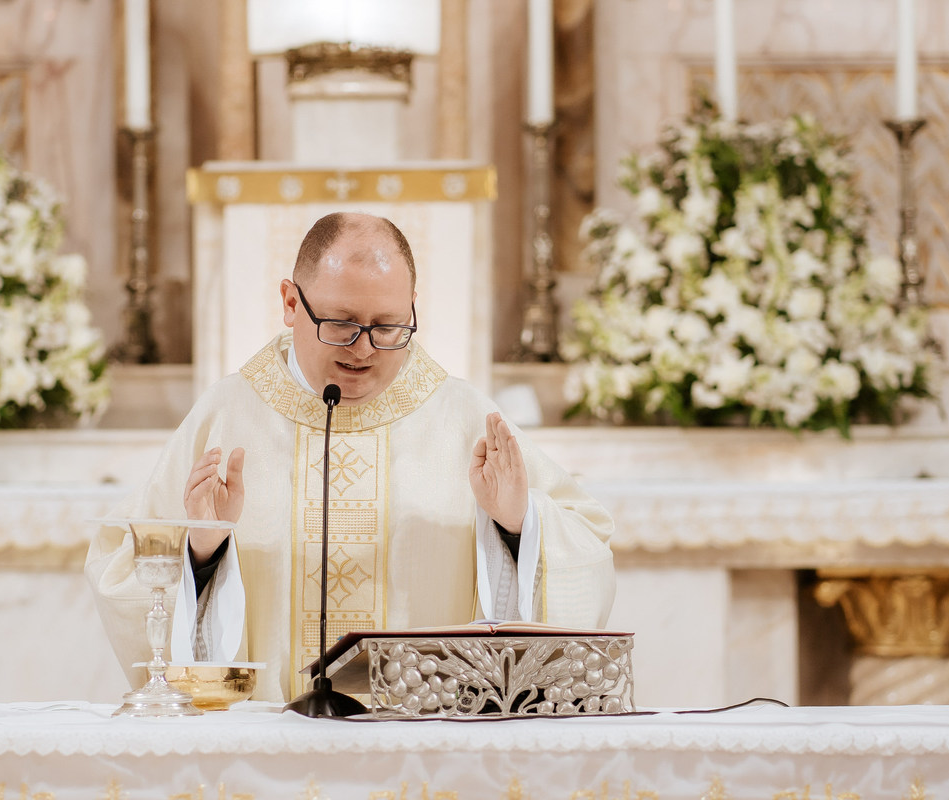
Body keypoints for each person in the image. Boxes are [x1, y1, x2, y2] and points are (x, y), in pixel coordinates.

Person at [87, 212, 615, 702]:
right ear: (291, 303)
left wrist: (518, 525)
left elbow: (586, 545)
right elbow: (122, 564)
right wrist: (199, 552)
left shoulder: (463, 417)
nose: (362, 349)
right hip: (269, 751)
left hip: (424, 745)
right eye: (341, 323)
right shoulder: (227, 415)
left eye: (387, 327)